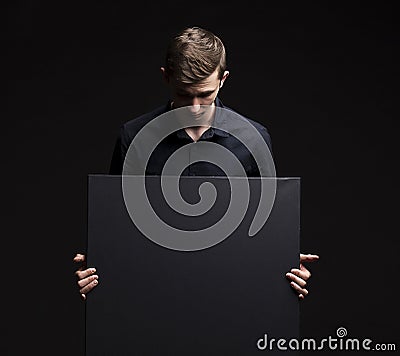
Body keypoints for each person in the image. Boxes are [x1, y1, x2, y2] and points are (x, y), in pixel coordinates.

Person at [74, 26, 319, 301]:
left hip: (229, 293)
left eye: (205, 95)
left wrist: (283, 260)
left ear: (223, 80)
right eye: (183, 94)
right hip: (152, 293)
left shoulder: (254, 139)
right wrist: (97, 262)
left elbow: (263, 228)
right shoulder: (134, 137)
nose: (194, 107)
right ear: (166, 78)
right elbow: (118, 227)